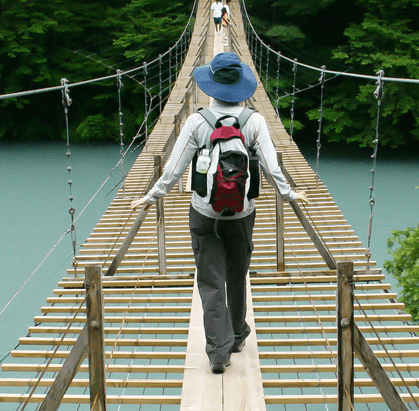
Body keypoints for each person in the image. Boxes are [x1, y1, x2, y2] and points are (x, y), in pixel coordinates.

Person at [130, 52, 307, 374]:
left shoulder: (196, 121)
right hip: (242, 213)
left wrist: (151, 195)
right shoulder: (255, 121)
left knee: (211, 282)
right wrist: (290, 193)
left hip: (204, 212)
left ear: (210, 87)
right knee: (237, 275)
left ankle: (218, 353)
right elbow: (271, 167)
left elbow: (173, 168)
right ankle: (237, 336)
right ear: (241, 87)